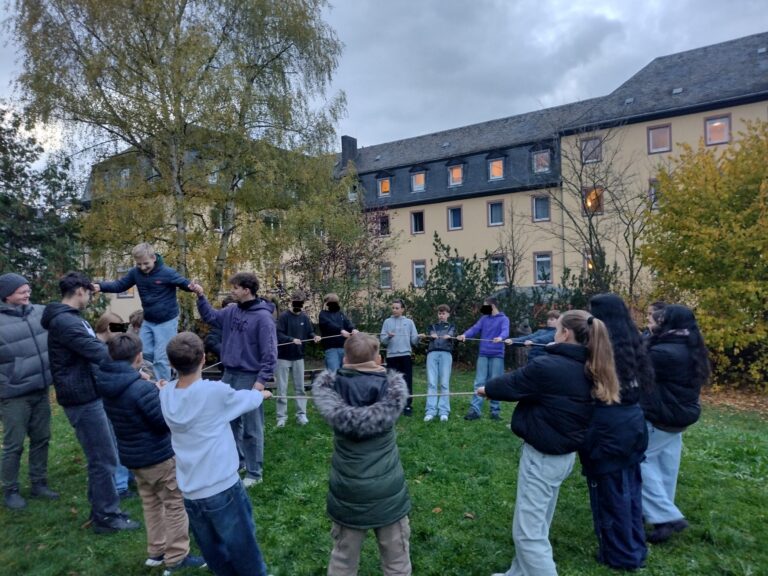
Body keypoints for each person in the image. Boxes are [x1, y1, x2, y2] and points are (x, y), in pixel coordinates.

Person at [478, 310, 620, 576]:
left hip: (544, 457)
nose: (553, 333)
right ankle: (518, 574)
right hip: (561, 455)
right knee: (537, 523)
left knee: (528, 534)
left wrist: (488, 389)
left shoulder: (549, 367)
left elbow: (511, 384)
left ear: (565, 333)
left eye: (557, 330)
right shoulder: (589, 363)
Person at [160, 332, 273, 576]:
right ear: (203, 359)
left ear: (170, 364)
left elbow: (165, 386)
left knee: (212, 550)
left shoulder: (165, 394)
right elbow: (245, 400)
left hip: (190, 492)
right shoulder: (214, 392)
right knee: (243, 547)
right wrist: (261, 395)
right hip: (222, 488)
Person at [41, 271, 141, 533]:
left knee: (103, 455)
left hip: (87, 393)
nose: (90, 297)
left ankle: (103, 508)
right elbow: (98, 352)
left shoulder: (70, 319)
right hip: (81, 397)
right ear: (80, 291)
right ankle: (107, 517)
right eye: (89, 292)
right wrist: (133, 368)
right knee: (103, 458)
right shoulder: (66, 322)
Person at [97, 333, 205, 573]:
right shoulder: (140, 389)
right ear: (138, 357)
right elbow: (162, 422)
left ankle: (156, 551)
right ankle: (177, 556)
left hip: (133, 458)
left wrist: (150, 388)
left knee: (151, 503)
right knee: (174, 503)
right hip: (158, 457)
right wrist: (159, 394)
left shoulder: (107, 383)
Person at [312, 333, 412, 575]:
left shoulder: (333, 387)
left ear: (345, 359)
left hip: (348, 491)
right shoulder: (390, 388)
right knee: (396, 558)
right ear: (378, 359)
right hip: (386, 492)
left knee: (343, 560)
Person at [581, 293, 653, 569]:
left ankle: (622, 555)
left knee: (612, 496)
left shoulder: (601, 347)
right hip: (633, 423)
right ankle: (635, 547)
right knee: (631, 490)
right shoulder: (632, 342)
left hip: (608, 430)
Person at [189, 273, 276, 487]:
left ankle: (255, 473)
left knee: (251, 428)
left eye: (236, 288)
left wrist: (260, 381)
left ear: (247, 290)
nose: (232, 291)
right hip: (228, 375)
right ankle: (239, 462)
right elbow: (210, 317)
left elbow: (270, 353)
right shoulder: (231, 311)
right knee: (228, 423)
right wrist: (200, 296)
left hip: (249, 377)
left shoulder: (263, 318)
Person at [641, 304, 710, 544]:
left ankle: (667, 516)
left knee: (639, 460)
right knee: (665, 466)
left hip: (663, 415)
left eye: (659, 320)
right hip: (681, 414)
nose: (654, 323)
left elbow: (635, 368)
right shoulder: (691, 346)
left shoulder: (664, 352)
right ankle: (662, 520)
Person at [93, 242, 194, 381]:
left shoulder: (167, 272)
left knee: (160, 358)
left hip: (166, 321)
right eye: (139, 264)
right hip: (149, 319)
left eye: (145, 263)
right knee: (141, 351)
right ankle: (170, 367)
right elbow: (120, 285)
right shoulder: (136, 273)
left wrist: (193, 287)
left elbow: (184, 283)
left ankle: (163, 388)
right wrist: (100, 286)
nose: (143, 267)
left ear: (154, 258)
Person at [0, 273, 58, 509]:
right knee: (14, 444)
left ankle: (39, 483)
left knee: (41, 437)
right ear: (6, 295)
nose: (28, 294)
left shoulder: (40, 312)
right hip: (13, 394)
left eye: (28, 290)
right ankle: (10, 489)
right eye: (22, 291)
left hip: (40, 388)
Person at [95, 311, 137, 500]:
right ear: (107, 328)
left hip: (114, 398)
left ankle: (128, 477)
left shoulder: (107, 347)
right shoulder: (98, 350)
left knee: (122, 440)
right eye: (118, 329)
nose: (121, 334)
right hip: (106, 401)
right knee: (114, 443)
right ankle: (120, 485)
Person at [457, 297, 510, 421]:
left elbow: (505, 331)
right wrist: (464, 335)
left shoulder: (504, 319)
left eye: (485, 306)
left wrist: (501, 337)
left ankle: (495, 411)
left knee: (496, 382)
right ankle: (475, 410)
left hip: (497, 354)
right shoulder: (484, 319)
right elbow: (474, 329)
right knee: (479, 382)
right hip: (483, 354)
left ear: (492, 306)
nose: (483, 308)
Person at [275, 291, 321, 427]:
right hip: (283, 357)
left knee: (300, 387)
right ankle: (281, 417)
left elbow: (309, 332)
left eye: (300, 302)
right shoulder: (284, 317)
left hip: (299, 357)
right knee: (282, 388)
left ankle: (301, 415)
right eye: (296, 301)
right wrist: (291, 339)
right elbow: (278, 334)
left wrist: (314, 336)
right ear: (292, 302)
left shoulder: (304, 318)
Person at [380, 299, 419, 417]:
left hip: (405, 355)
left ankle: (407, 405)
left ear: (402, 309)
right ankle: (393, 405)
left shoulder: (409, 322)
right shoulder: (387, 322)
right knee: (392, 382)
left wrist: (419, 338)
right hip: (392, 356)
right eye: (393, 308)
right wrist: (388, 337)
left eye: (397, 308)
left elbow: (414, 340)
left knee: (407, 381)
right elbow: (383, 340)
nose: (395, 310)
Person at [419, 304, 456, 422]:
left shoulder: (452, 326)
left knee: (444, 383)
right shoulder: (432, 326)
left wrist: (448, 336)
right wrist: (429, 336)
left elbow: (451, 335)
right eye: (440, 313)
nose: (441, 315)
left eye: (444, 313)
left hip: (446, 354)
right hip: (432, 354)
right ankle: (430, 411)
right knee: (432, 383)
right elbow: (429, 336)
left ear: (448, 314)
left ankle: (444, 411)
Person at [318, 293, 357, 371]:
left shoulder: (340, 314)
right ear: (326, 303)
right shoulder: (323, 314)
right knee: (334, 373)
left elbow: (348, 323)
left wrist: (353, 329)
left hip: (344, 348)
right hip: (331, 349)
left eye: (334, 302)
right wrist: (341, 330)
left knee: (345, 372)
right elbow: (328, 324)